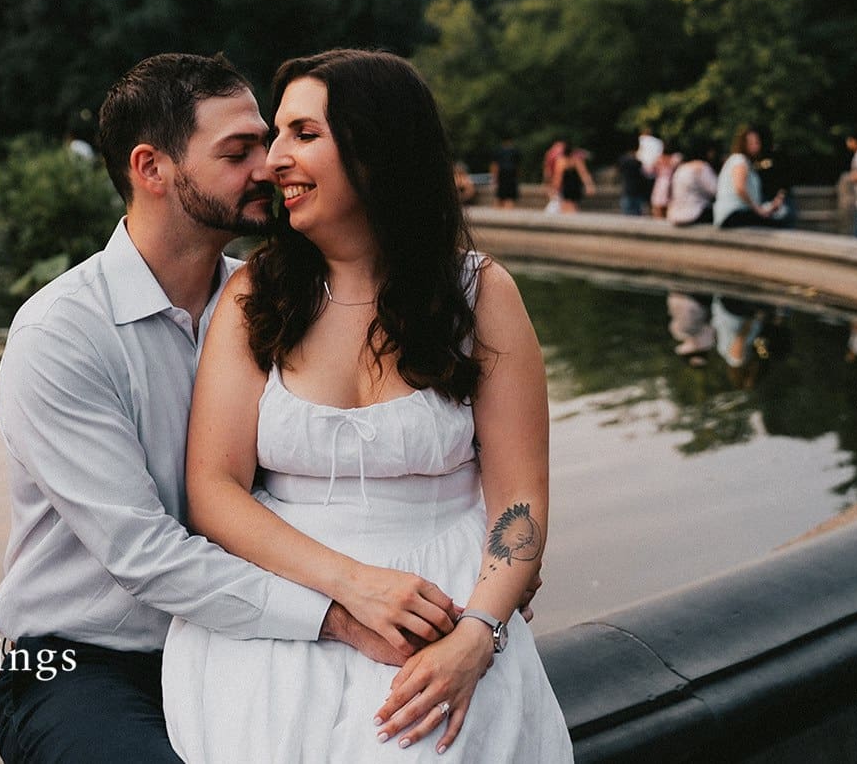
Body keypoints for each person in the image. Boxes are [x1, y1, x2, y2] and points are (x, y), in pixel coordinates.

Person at [0, 54, 442, 764]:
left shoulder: (278, 302)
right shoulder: (62, 334)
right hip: (92, 663)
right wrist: (339, 616)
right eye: (239, 152)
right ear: (152, 168)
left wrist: (476, 580)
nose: (271, 165)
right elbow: (145, 555)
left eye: (269, 142)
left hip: (251, 639)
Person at [163, 50, 572, 762]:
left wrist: (480, 632)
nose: (273, 162)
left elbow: (520, 503)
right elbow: (212, 488)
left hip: (445, 610)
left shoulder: (480, 294)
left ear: (376, 148)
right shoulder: (256, 297)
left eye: (302, 133)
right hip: (288, 600)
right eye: (274, 137)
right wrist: (351, 587)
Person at [714, 126, 785, 228]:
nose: (756, 146)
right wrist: (758, 210)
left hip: (736, 213)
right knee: (779, 222)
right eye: (751, 143)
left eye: (757, 142)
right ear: (743, 144)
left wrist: (769, 207)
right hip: (732, 214)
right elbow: (740, 188)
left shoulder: (745, 162)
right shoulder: (740, 160)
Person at [666, 140, 718, 227]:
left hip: (675, 214)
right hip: (694, 213)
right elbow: (716, 190)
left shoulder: (681, 168)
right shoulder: (702, 166)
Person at [549, 143, 594, 213]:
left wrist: (554, 189)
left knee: (566, 208)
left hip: (567, 188)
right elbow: (584, 174)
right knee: (574, 207)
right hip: (576, 187)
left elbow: (558, 178)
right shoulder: (576, 160)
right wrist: (589, 185)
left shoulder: (561, 161)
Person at [490, 137, 521, 209]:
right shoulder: (515, 151)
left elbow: (494, 165)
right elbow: (518, 167)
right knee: (510, 198)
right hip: (511, 175)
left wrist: (494, 177)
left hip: (502, 174)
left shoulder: (499, 151)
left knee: (499, 197)